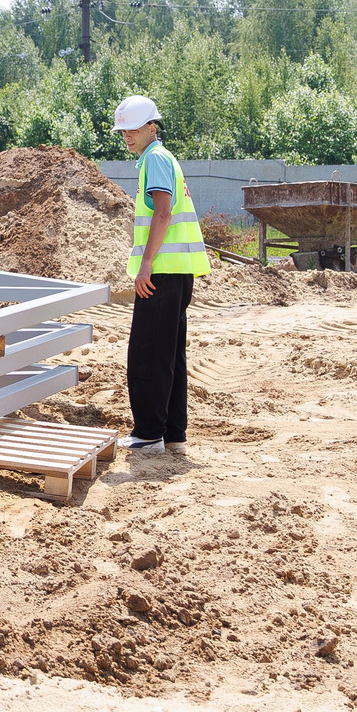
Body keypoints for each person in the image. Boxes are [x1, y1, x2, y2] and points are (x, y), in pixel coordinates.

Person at [115, 94, 206, 453]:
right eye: (123, 131)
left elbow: (163, 213)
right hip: (177, 272)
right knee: (169, 355)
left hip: (162, 272)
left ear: (152, 127)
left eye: (133, 129)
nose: (127, 136)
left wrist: (146, 264)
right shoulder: (161, 158)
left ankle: (149, 432)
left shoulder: (154, 159)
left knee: (148, 353)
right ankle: (172, 434)